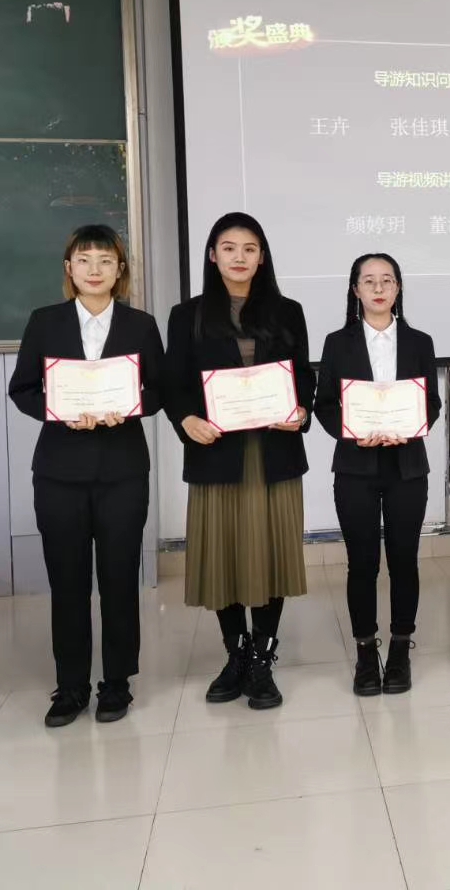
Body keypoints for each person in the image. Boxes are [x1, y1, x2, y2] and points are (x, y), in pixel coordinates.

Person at [8, 224, 165, 727]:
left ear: (120, 270)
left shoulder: (140, 325)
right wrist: (60, 412)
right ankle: (71, 685)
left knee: (119, 579)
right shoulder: (45, 321)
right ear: (69, 269)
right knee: (68, 583)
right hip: (59, 472)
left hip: (123, 471)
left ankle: (116, 682)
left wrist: (131, 407)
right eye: (84, 260)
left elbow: (159, 389)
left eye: (105, 260)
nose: (94, 270)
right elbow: (23, 389)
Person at [165, 212, 315, 709]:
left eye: (250, 249)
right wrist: (187, 419)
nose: (239, 257)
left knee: (271, 556)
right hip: (217, 453)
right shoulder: (186, 315)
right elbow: (174, 383)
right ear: (212, 255)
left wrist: (301, 411)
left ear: (262, 257)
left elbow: (303, 377)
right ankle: (236, 654)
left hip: (273, 454)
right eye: (228, 248)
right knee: (223, 556)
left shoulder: (288, 311)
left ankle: (262, 659)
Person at [314, 253, 441, 697]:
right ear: (355, 290)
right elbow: (324, 405)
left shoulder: (420, 342)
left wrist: (411, 427)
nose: (379, 288)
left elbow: (432, 403)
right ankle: (366, 651)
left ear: (399, 287)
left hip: (408, 467)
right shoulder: (337, 342)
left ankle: (401, 648)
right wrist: (352, 432)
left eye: (387, 280)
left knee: (404, 560)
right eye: (369, 281)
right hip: (356, 467)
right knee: (362, 563)